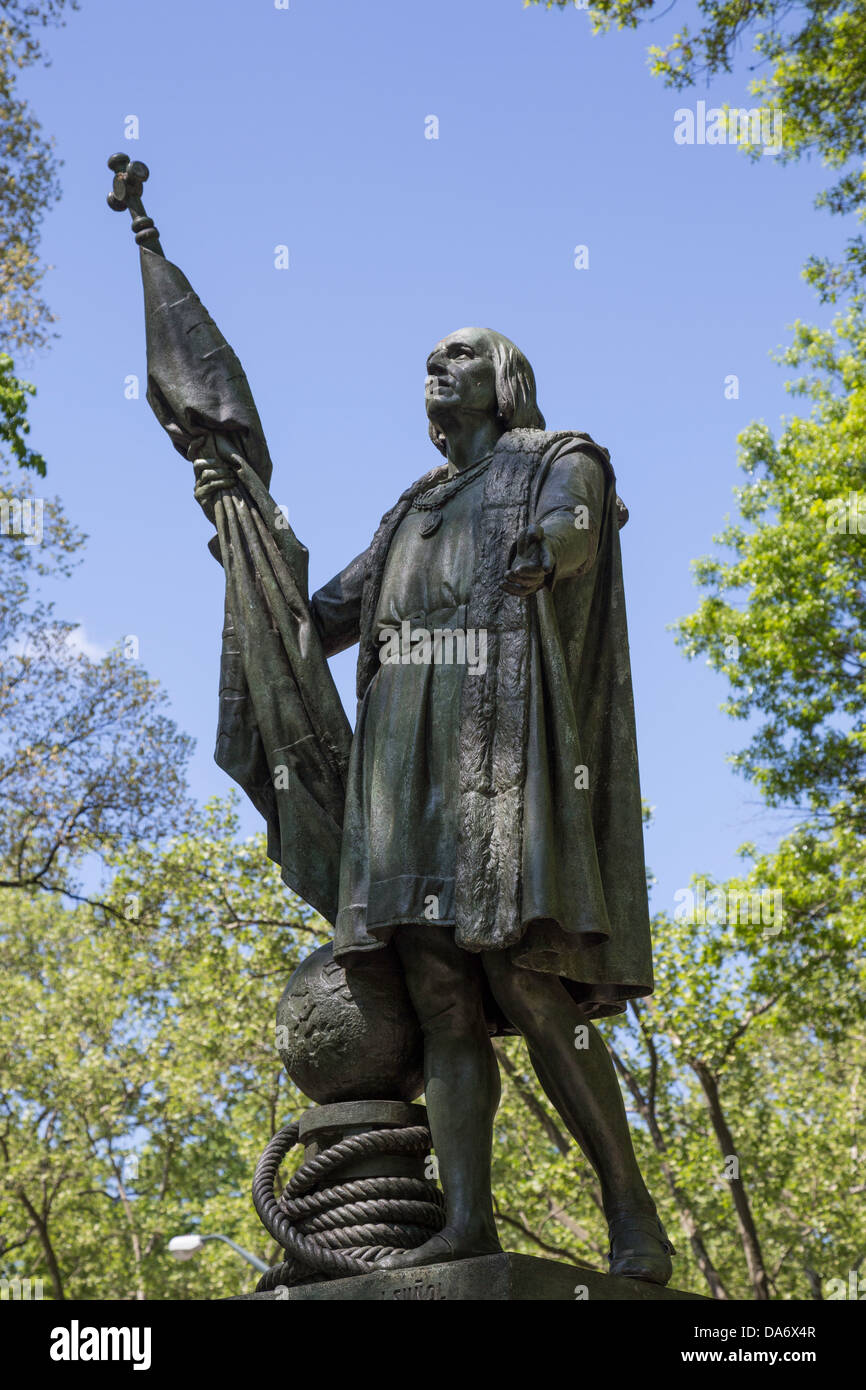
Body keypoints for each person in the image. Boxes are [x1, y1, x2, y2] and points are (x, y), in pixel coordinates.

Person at [194, 326, 674, 1282]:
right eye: (428, 361)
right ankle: (464, 1224)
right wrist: (243, 530)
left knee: (529, 983)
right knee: (442, 996)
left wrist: (551, 547)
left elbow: (580, 524)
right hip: (400, 775)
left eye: (458, 354)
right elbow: (316, 621)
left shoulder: (554, 459)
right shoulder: (408, 513)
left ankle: (633, 1215)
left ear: (504, 381)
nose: (436, 368)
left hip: (498, 755)